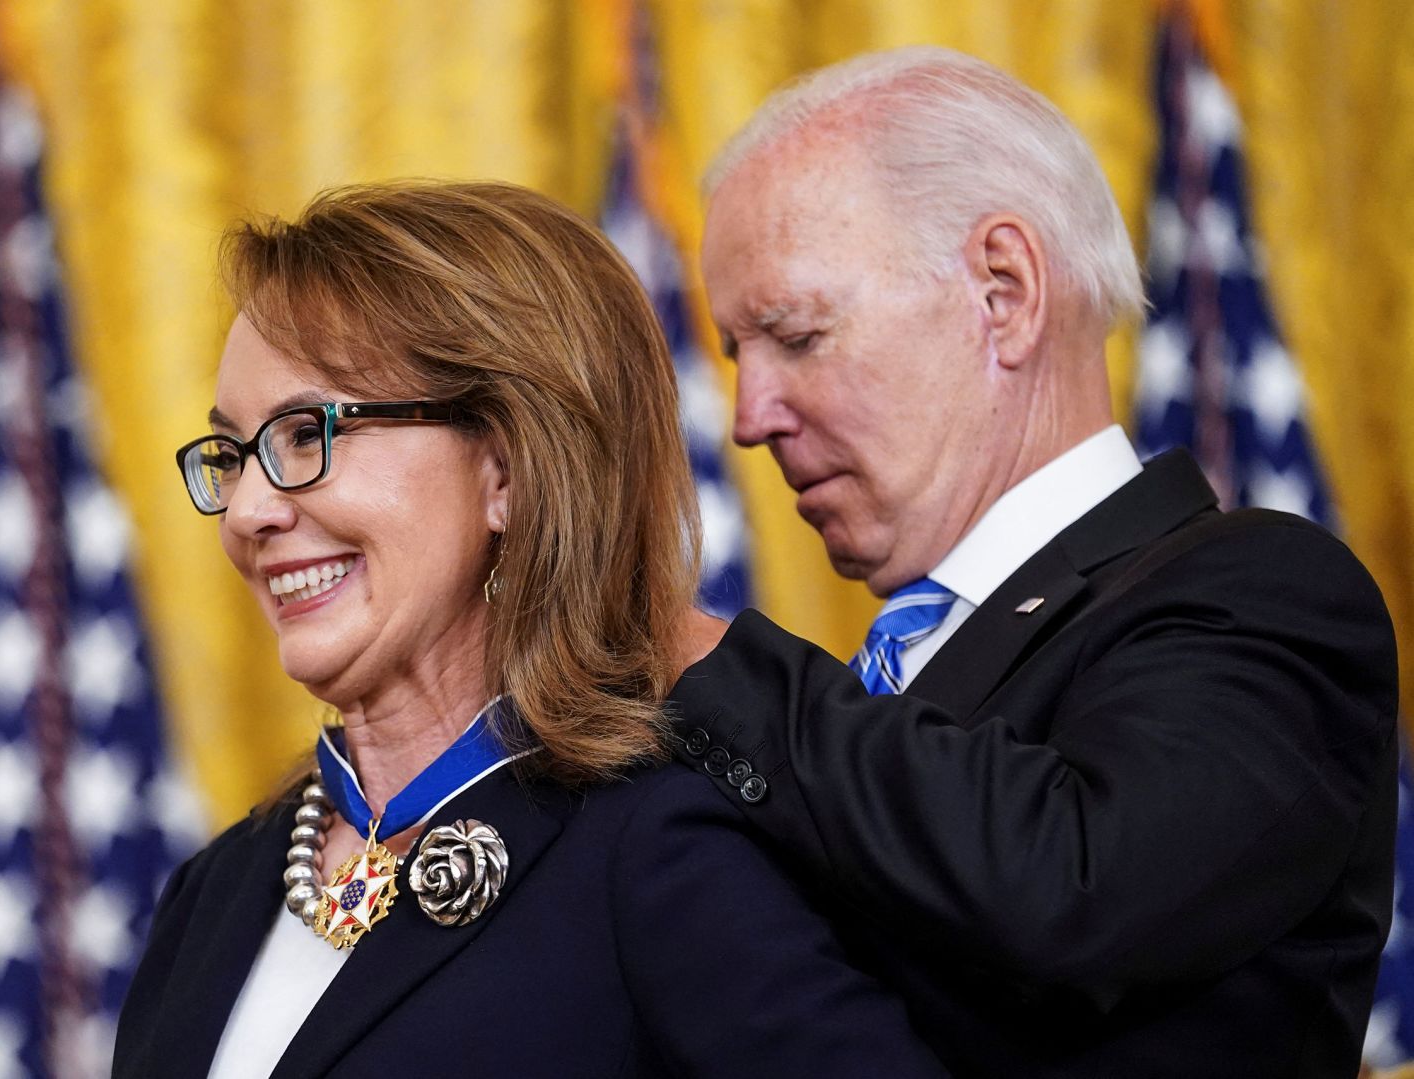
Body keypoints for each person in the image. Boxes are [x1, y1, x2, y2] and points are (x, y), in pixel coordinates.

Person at [668, 46, 1399, 1076]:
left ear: (1002, 290)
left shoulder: (1259, 595)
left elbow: (1081, 889)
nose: (748, 417)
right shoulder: (852, 694)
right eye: (739, 355)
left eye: (796, 335)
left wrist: (693, 653)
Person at [113, 181, 945, 1078]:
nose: (248, 509)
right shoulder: (220, 886)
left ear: (507, 468)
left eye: (304, 434)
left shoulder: (659, 848)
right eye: (232, 455)